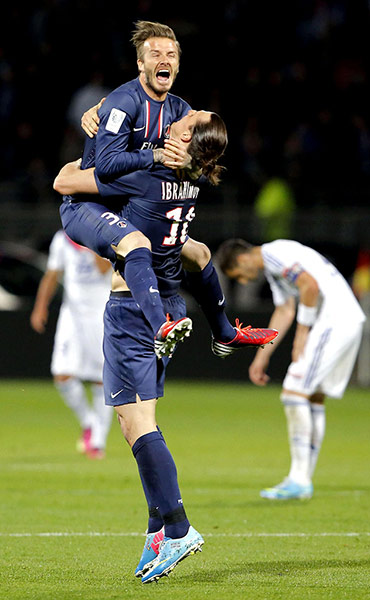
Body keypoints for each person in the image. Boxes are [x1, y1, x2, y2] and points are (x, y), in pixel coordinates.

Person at [53, 110, 277, 583]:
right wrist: (220, 324)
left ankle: (177, 528)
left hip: (134, 313)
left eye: (190, 118)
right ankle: (157, 532)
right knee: (139, 422)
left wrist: (97, 137)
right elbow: (198, 254)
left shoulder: (145, 175)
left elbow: (65, 182)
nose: (182, 113)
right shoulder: (189, 179)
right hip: (173, 302)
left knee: (136, 425)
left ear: (184, 138)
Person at [67, 19, 276, 358]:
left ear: (178, 63)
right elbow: (104, 167)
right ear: (140, 63)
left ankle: (223, 333)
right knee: (137, 243)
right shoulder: (123, 102)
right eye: (155, 53)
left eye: (170, 53)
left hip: (127, 199)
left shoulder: (180, 109)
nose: (164, 59)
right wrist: (157, 155)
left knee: (199, 253)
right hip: (88, 199)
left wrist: (189, 164)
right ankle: (159, 325)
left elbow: (196, 158)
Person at [217, 238, 365, 500]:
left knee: (293, 391)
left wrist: (302, 335)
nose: (243, 281)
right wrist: (262, 356)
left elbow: (309, 285)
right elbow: (284, 311)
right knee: (314, 396)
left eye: (238, 275)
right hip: (346, 318)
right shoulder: (275, 268)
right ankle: (302, 478)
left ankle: (299, 479)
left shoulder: (275, 254)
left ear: (241, 259)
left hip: (335, 320)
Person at [30, 230, 114, 459]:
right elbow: (52, 274)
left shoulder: (104, 235)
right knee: (61, 374)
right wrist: (40, 307)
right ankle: (89, 422)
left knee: (101, 380)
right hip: (72, 316)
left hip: (101, 316)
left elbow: (104, 269)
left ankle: (97, 442)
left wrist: (91, 243)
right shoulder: (61, 239)